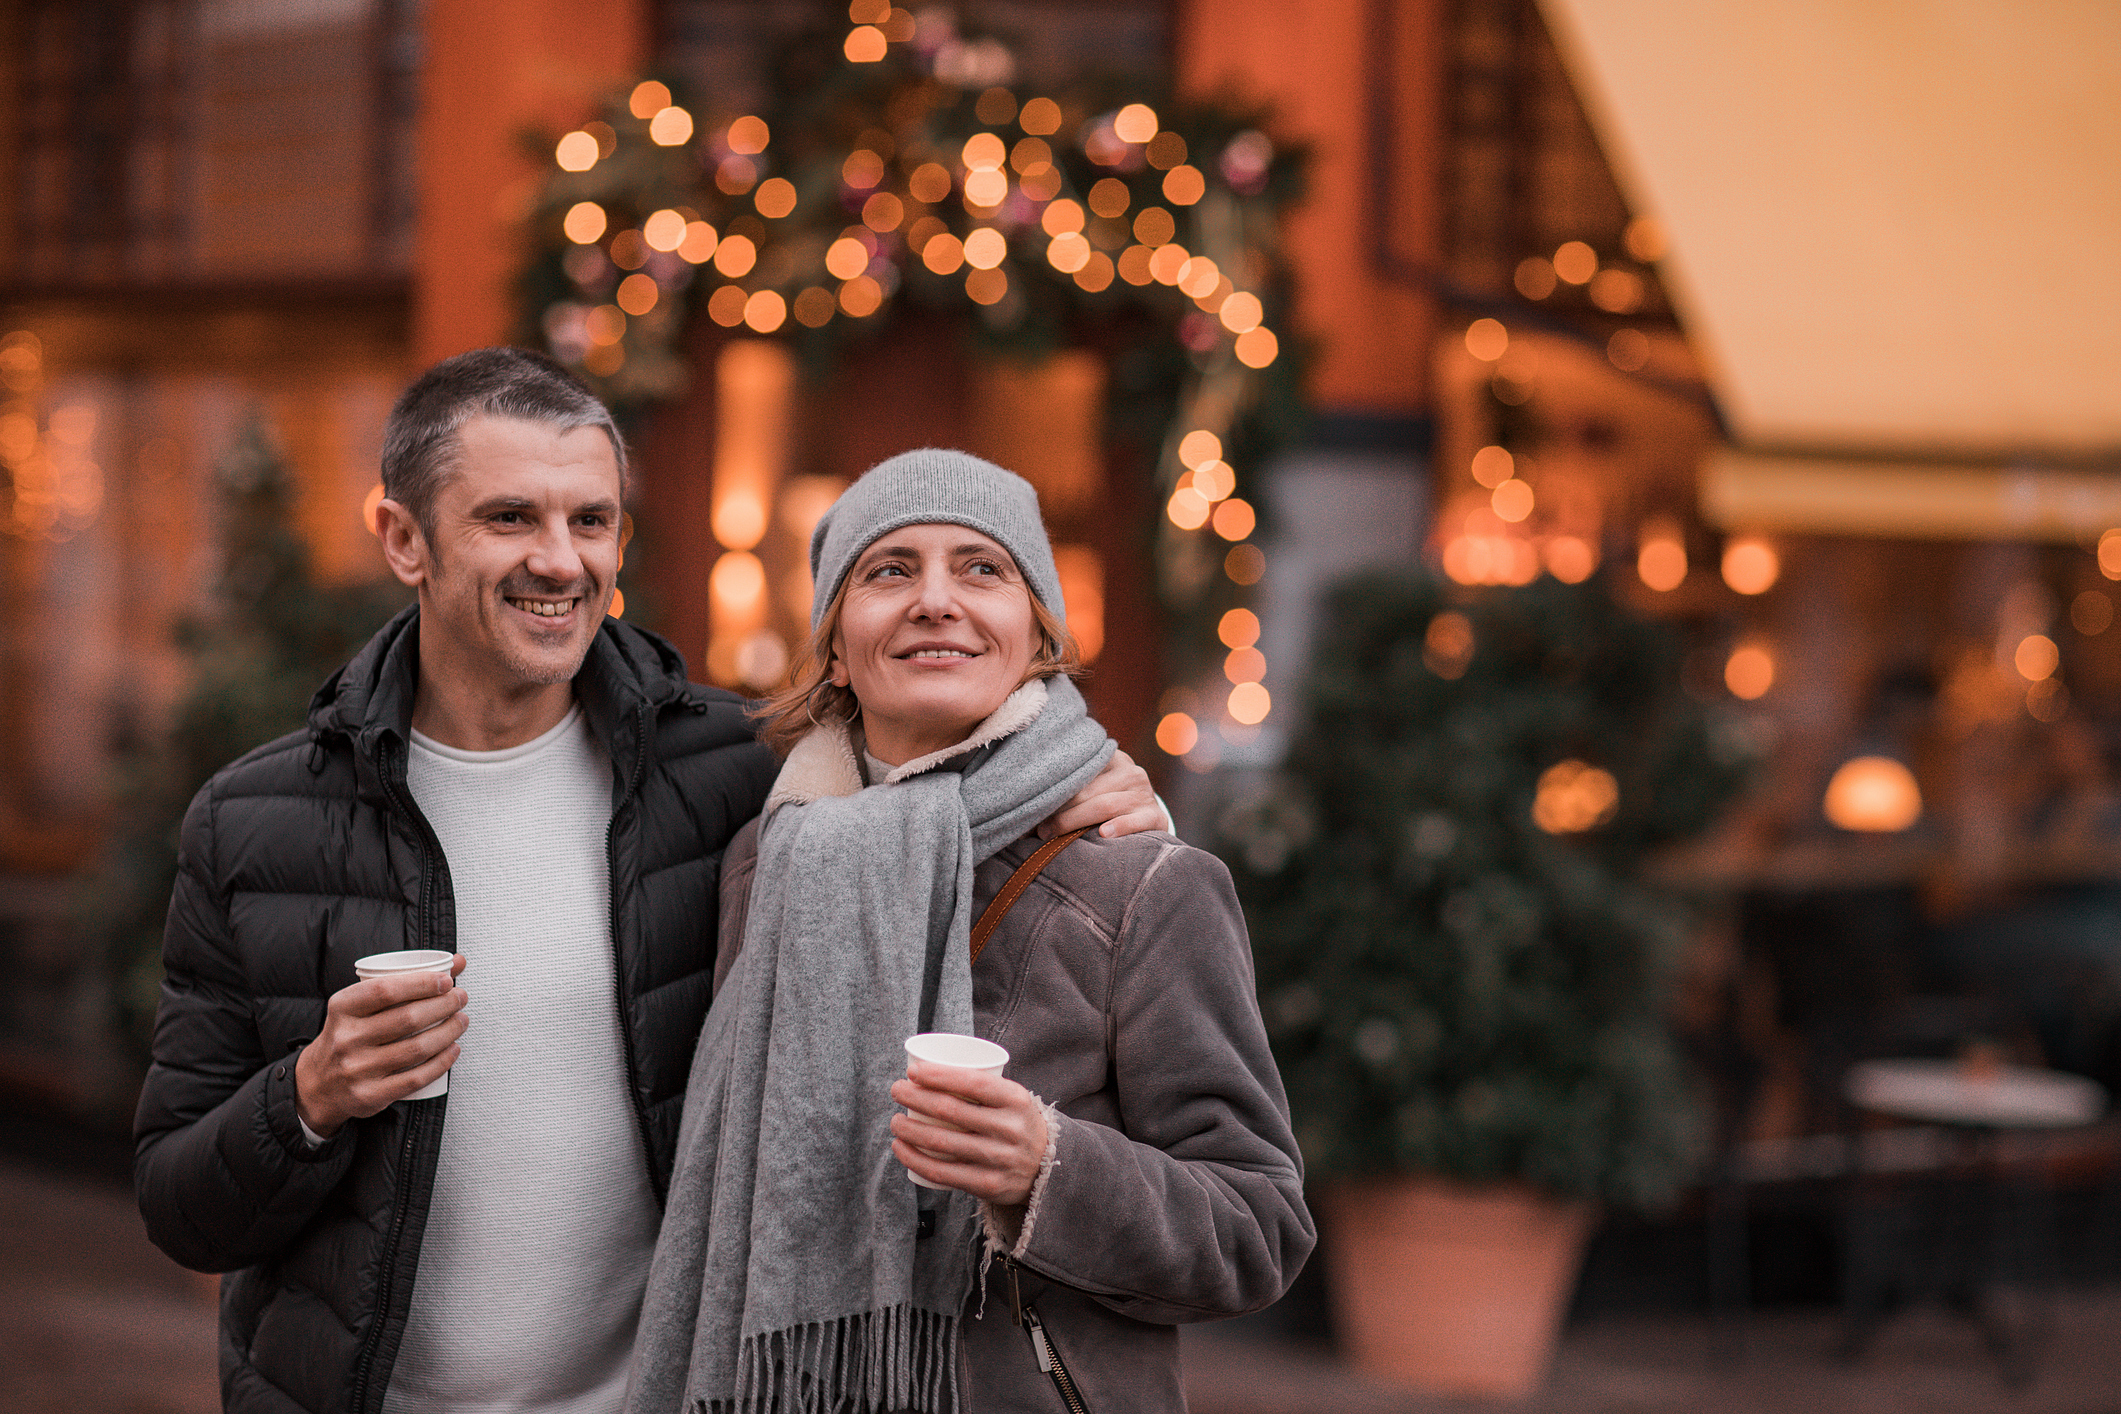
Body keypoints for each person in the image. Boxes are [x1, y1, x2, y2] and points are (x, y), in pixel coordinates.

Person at [132, 349, 1163, 1414]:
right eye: (509, 518)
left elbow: (941, 781)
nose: (561, 560)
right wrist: (312, 1094)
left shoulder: (736, 772)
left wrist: (1099, 785)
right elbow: (180, 1204)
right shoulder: (255, 823)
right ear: (405, 538)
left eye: (592, 521)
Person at [628, 450, 1313, 1414]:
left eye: (982, 568)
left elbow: (1258, 1230)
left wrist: (1046, 1171)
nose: (935, 600)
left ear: (1036, 635)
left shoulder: (1143, 881)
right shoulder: (765, 860)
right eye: (889, 570)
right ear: (833, 646)